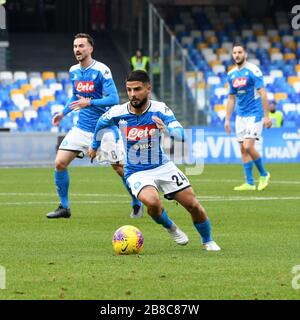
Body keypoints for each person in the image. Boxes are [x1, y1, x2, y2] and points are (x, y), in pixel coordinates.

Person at [88, 70, 221, 251]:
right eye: (129, 90)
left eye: (137, 89)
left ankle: (208, 240)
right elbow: (100, 124)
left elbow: (181, 135)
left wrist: (166, 129)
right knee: (153, 203)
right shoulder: (118, 112)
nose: (132, 94)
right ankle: (170, 227)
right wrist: (94, 146)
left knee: (193, 205)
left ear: (148, 88)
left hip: (162, 166)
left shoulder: (160, 109)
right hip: (136, 171)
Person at [46, 33, 143, 219]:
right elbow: (76, 97)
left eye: (81, 46)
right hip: (81, 128)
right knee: (59, 163)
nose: (77, 49)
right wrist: (63, 113)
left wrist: (89, 103)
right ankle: (64, 207)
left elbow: (114, 99)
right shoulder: (74, 70)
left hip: (104, 129)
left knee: (120, 169)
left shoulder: (102, 70)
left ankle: (136, 201)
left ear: (90, 48)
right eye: (75, 46)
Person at [224, 43, 272, 191]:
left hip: (254, 114)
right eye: (234, 53)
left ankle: (264, 174)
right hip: (241, 116)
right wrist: (227, 119)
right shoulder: (231, 74)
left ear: (245, 54)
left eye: (239, 52)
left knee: (248, 146)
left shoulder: (253, 70)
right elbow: (231, 98)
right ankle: (250, 183)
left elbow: (262, 92)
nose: (237, 55)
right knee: (243, 150)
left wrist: (267, 116)